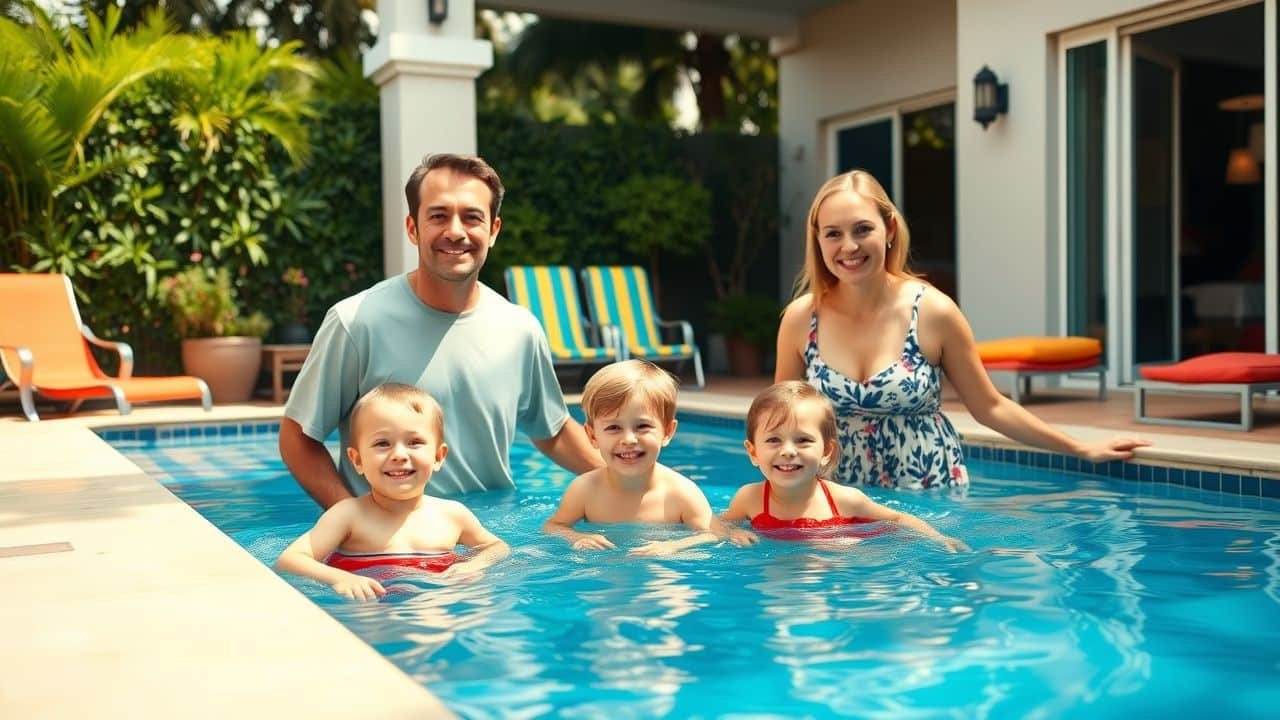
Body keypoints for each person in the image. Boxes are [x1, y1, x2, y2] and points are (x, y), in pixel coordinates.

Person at [776, 170, 1150, 490]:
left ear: (889, 228)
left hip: (926, 494)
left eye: (862, 229)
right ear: (818, 240)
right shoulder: (800, 319)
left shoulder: (933, 312)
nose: (849, 246)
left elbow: (990, 407)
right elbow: (780, 422)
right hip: (836, 502)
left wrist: (1080, 448)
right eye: (833, 234)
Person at [279, 153, 601, 506]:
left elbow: (552, 430)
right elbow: (297, 436)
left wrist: (632, 485)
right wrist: (353, 518)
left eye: (472, 217)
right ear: (412, 228)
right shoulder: (356, 321)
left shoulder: (520, 329)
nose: (456, 231)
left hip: (496, 541)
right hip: (390, 549)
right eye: (438, 216)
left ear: (493, 231)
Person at [275, 384, 509, 600]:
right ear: (357, 460)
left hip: (432, 607)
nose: (399, 454)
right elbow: (290, 560)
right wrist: (341, 578)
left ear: (438, 457)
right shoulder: (348, 515)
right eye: (382, 444)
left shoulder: (452, 515)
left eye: (414, 442)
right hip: (368, 613)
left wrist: (472, 566)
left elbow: (497, 547)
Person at [722, 381, 968, 551]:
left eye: (803, 440)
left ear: (827, 451)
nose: (787, 451)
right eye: (774, 440)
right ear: (753, 452)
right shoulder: (749, 499)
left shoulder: (845, 500)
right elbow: (717, 526)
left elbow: (897, 518)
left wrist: (938, 538)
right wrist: (732, 533)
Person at [543, 360, 722, 557]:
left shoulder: (680, 492)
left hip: (664, 581)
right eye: (613, 428)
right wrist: (576, 537)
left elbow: (713, 534)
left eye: (642, 426)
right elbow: (554, 526)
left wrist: (672, 547)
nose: (628, 439)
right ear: (593, 436)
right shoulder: (585, 489)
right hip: (605, 578)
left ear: (668, 432)